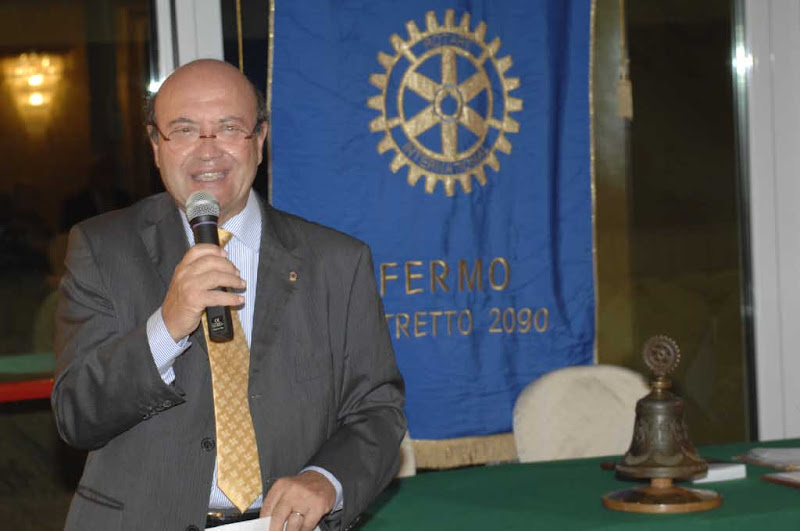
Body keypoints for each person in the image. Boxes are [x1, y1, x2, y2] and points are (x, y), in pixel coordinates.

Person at [51, 59, 406, 531]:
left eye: (229, 128)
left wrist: (326, 481)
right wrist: (166, 327)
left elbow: (376, 412)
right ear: (156, 146)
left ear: (259, 140)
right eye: (184, 130)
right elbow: (76, 415)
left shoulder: (337, 262)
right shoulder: (102, 249)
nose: (208, 151)